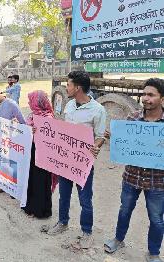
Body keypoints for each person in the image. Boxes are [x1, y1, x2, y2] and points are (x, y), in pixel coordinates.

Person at [104, 78, 164, 262]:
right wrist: (115, 138)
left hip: (158, 181)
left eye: (151, 95)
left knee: (156, 219)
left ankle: (153, 253)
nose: (145, 98)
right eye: (144, 94)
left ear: (162, 98)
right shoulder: (132, 119)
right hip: (132, 177)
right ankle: (118, 239)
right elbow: (126, 146)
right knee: (124, 210)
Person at [45, 71, 106, 250]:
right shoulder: (69, 105)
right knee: (64, 195)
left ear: (78, 88)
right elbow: (64, 129)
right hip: (66, 161)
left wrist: (97, 145)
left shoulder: (98, 110)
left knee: (85, 199)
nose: (67, 88)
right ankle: (62, 223)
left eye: (69, 85)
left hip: (83, 163)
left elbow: (100, 136)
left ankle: (86, 232)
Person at [22, 90, 58, 219]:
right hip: (32, 151)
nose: (28, 103)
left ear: (37, 102)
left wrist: (38, 132)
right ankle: (30, 206)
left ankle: (41, 210)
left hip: (43, 154)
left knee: (41, 181)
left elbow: (53, 138)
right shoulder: (32, 115)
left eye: (31, 100)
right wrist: (27, 130)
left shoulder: (48, 118)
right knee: (31, 179)